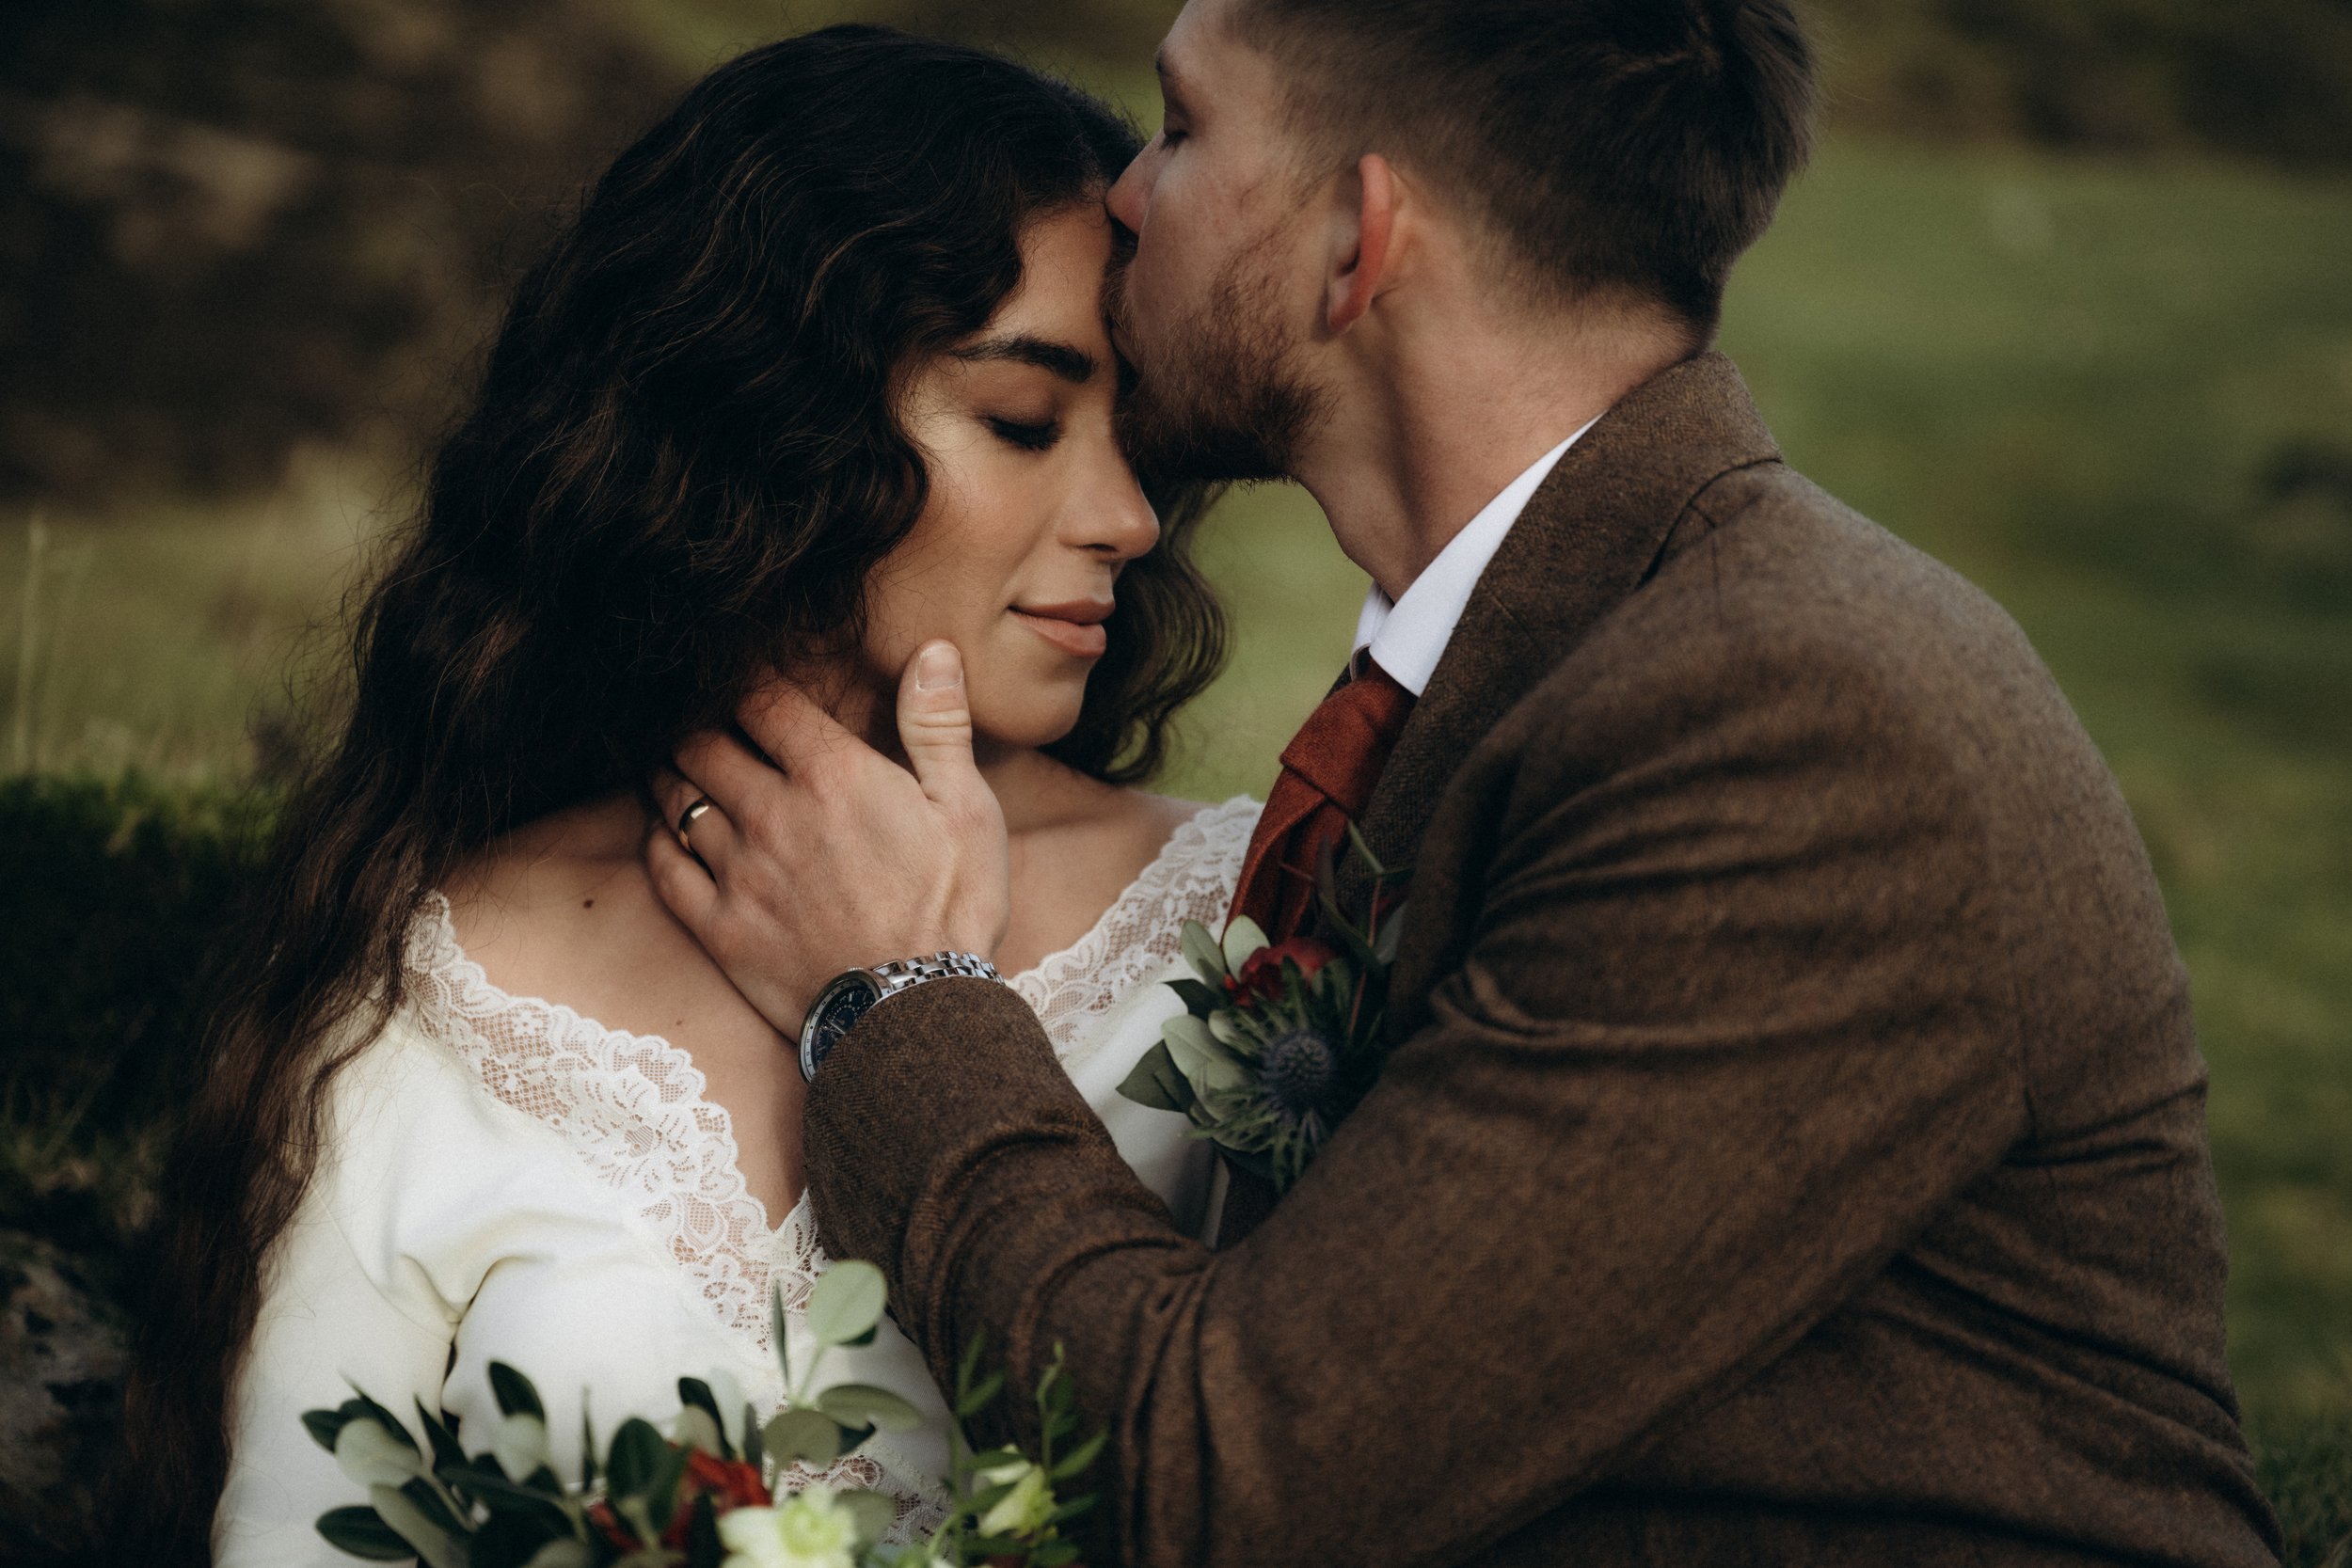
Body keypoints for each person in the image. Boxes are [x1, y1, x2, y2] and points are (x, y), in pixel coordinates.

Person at [646, 2, 2285, 1565]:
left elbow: (1236, 1484)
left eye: (1183, 127)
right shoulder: (1552, 657)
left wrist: (894, 995)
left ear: (1358, 242)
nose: (1127, 196)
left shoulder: (1792, 722)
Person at [115, 28, 1259, 1564]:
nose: (1127, 517)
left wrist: (911, 995)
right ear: (771, 417)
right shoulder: (440, 976)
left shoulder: (1237, 946)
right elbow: (301, 1531)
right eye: (1021, 421)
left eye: (1141, 441)